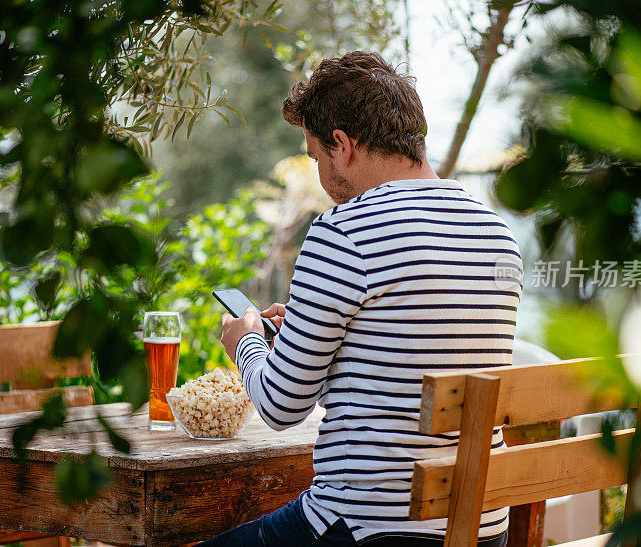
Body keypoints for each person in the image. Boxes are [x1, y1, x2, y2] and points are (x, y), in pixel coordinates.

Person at [209, 50, 521, 546]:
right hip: (482, 529)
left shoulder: (345, 232)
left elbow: (279, 405)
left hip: (366, 530)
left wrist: (247, 342)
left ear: (342, 145)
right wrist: (312, 330)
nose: (320, 175)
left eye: (315, 157)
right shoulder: (495, 233)